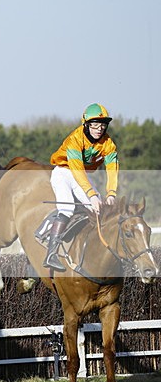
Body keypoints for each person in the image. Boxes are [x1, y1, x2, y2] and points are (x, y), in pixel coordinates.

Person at [43, 103, 118, 271]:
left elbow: (112, 169)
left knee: (99, 210)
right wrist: (91, 194)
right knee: (67, 209)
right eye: (95, 124)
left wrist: (111, 193)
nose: (100, 128)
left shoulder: (108, 144)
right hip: (63, 173)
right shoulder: (75, 139)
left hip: (81, 175)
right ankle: (51, 253)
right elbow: (76, 169)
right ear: (86, 124)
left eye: (103, 124)